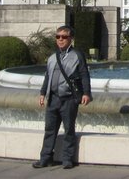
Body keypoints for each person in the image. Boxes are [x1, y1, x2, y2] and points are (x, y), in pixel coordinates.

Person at [34, 25, 91, 170]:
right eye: (58, 36)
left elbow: (84, 74)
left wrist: (86, 93)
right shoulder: (52, 57)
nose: (60, 39)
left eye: (64, 37)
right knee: (49, 129)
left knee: (69, 129)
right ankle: (45, 158)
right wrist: (42, 93)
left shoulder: (77, 55)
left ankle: (67, 159)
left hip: (69, 98)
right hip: (53, 98)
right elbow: (48, 76)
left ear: (71, 39)